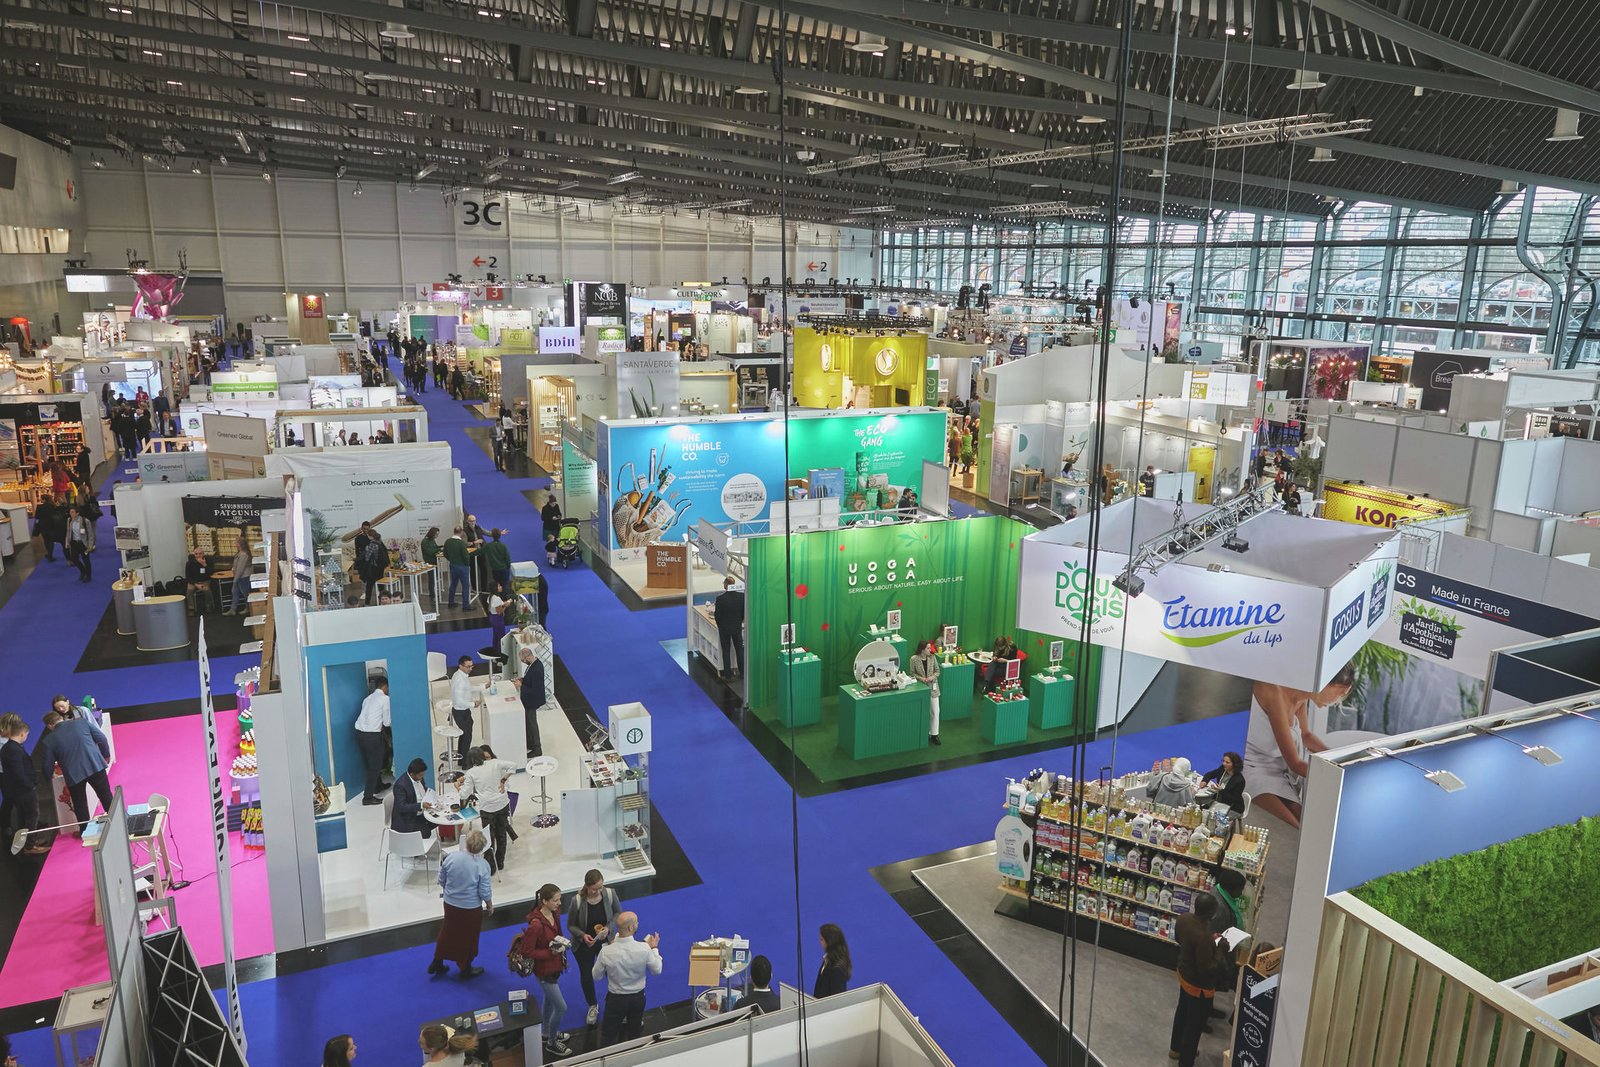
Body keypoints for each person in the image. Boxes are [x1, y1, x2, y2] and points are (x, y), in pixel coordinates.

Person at [1243, 665, 1352, 828]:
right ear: (1325, 682)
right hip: (1251, 768)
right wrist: (1338, 774)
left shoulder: (1301, 696)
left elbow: (1305, 735)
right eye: (1341, 693)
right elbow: (1295, 763)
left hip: (1277, 770)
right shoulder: (1273, 691)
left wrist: (1338, 758)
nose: (1338, 700)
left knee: (1308, 825)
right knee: (1295, 828)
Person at [516, 883, 573, 1058]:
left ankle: (546, 1032)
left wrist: (560, 945)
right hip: (544, 970)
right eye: (556, 900)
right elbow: (527, 952)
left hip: (555, 965)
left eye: (560, 899)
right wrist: (550, 953)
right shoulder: (535, 925)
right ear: (545, 901)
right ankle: (551, 1042)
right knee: (561, 1007)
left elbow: (557, 933)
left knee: (549, 1000)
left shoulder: (554, 913)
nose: (559, 903)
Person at [1170, 894, 1227, 1067]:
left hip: (1184, 974)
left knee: (1182, 1012)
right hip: (1198, 987)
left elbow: (1180, 940)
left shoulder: (1184, 919)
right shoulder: (1203, 937)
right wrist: (1220, 950)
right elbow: (1207, 969)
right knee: (1194, 1026)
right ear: (1210, 913)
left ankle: (1175, 1049)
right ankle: (1186, 1061)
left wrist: (1210, 942)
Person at [428, 829, 493, 979]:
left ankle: (437, 961)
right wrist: (489, 905)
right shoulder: (483, 865)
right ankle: (465, 968)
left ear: (466, 842)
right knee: (468, 938)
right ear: (482, 847)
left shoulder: (451, 857)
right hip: (470, 908)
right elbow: (484, 891)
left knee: (447, 931)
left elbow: (441, 879)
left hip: (450, 904)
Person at [592, 911, 662, 1047]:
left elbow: (596, 976)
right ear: (631, 928)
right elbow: (657, 970)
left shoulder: (606, 951)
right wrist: (654, 948)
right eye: (636, 922)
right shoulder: (644, 948)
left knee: (608, 1035)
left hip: (615, 1000)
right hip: (637, 998)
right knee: (634, 1032)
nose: (637, 924)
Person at [38, 710, 112, 829]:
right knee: (106, 796)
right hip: (95, 765)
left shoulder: (49, 740)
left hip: (73, 775)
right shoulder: (81, 722)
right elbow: (102, 738)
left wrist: (48, 777)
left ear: (49, 726)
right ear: (61, 718)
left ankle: (85, 832)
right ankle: (118, 820)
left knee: (80, 805)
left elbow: (47, 765)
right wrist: (105, 755)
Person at [566, 869, 620, 1027]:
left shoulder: (610, 894)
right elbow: (571, 925)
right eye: (594, 889)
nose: (598, 892)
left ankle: (616, 1003)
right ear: (587, 886)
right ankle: (592, 1006)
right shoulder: (577, 901)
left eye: (600, 887)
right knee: (587, 975)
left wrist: (608, 928)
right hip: (585, 944)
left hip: (605, 941)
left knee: (612, 972)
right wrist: (583, 935)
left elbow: (617, 913)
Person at [461, 745, 518, 874]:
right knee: (501, 835)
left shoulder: (471, 773)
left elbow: (464, 795)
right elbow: (513, 765)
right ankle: (500, 862)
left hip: (487, 809)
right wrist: (503, 779)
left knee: (489, 837)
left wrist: (459, 789)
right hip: (502, 804)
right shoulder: (495, 763)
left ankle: (491, 867)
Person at [0, 714, 47, 853]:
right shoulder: (13, 749)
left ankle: (26, 841)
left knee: (23, 815)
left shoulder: (8, 747)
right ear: (21, 734)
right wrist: (30, 785)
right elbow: (18, 773)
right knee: (31, 815)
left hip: (16, 788)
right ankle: (30, 845)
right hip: (23, 789)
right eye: (26, 734)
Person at [353, 679, 390, 806]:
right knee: (375, 765)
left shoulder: (367, 699)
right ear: (385, 687)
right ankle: (367, 797)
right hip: (372, 736)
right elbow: (387, 722)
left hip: (359, 733)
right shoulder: (385, 699)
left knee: (371, 762)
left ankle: (377, 786)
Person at [513, 646, 547, 759]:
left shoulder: (536, 669)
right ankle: (530, 743)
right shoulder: (534, 664)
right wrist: (523, 680)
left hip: (532, 700)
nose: (523, 662)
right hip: (529, 699)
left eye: (523, 660)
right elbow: (530, 680)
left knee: (532, 724)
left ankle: (537, 748)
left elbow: (535, 689)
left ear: (527, 657)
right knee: (528, 722)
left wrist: (521, 685)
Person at [909, 639, 942, 745]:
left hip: (933, 688)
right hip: (921, 688)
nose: (930, 650)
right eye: (928, 648)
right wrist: (921, 678)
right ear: (922, 649)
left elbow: (937, 671)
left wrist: (931, 677)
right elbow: (912, 673)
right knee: (921, 712)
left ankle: (934, 734)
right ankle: (920, 732)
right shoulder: (914, 659)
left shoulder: (933, 657)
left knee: (935, 711)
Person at [713, 577, 745, 681]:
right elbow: (743, 613)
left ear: (726, 585)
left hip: (724, 628)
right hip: (737, 627)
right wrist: (739, 621)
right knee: (739, 650)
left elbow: (717, 615)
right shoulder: (742, 597)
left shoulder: (720, 599)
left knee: (726, 651)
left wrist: (720, 626)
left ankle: (728, 675)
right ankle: (743, 673)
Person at [390, 758, 432, 838]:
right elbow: (402, 807)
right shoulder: (400, 786)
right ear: (412, 774)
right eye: (420, 775)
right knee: (426, 832)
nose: (422, 777)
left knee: (439, 820)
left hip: (421, 812)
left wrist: (431, 794)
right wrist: (420, 805)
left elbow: (423, 788)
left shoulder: (419, 777)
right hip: (407, 818)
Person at [354, 524, 389, 606]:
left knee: (369, 587)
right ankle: (383, 602)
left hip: (373, 569)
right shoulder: (380, 542)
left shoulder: (372, 545)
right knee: (381, 586)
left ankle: (367, 603)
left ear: (370, 536)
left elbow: (367, 557)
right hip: (380, 568)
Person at [814, 923, 851, 998]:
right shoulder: (828, 959)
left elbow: (837, 1000)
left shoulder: (837, 970)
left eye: (821, 939)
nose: (820, 942)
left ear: (829, 941)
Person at [448, 655, 476, 756]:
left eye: (472, 666)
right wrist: (473, 704)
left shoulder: (461, 675)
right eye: (468, 666)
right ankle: (464, 761)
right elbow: (459, 701)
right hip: (461, 712)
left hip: (463, 710)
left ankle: (462, 757)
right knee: (466, 738)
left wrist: (482, 687)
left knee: (464, 735)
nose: (470, 669)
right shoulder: (460, 680)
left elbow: (468, 689)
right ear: (460, 666)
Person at [442, 526, 472, 610]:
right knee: (465, 586)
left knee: (453, 584)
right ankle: (465, 605)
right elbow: (466, 556)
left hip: (453, 565)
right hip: (463, 567)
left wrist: (451, 560)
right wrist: (467, 564)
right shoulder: (461, 543)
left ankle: (451, 602)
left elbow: (445, 554)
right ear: (461, 532)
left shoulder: (448, 541)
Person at [63, 505, 95, 583]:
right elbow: (68, 531)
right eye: (70, 512)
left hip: (83, 543)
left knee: (86, 560)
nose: (70, 513)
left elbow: (90, 534)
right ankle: (82, 570)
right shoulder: (69, 520)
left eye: (72, 512)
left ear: (77, 513)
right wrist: (67, 542)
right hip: (74, 543)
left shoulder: (85, 521)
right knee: (74, 558)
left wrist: (90, 545)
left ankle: (88, 576)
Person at [32, 494, 65, 562]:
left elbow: (37, 517)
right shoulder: (53, 506)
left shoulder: (39, 507)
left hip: (43, 526)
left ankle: (49, 554)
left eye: (41, 498)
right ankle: (50, 554)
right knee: (51, 540)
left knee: (46, 540)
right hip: (51, 525)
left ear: (44, 499)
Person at [480, 528, 511, 598]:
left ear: (492, 535)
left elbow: (480, 552)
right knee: (504, 584)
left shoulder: (488, 546)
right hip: (504, 569)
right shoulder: (503, 546)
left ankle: (497, 598)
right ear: (499, 536)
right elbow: (507, 558)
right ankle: (504, 599)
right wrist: (508, 566)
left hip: (495, 569)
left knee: (497, 584)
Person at [228, 539, 252, 615]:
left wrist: (235, 579)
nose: (234, 543)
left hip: (243, 577)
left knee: (245, 594)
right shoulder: (240, 553)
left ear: (239, 544)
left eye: (236, 542)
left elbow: (240, 569)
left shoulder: (243, 554)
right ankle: (233, 609)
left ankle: (249, 608)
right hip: (240, 577)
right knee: (235, 592)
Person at [185, 548, 213, 615]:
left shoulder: (208, 561)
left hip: (205, 581)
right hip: (193, 582)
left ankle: (209, 606)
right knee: (189, 590)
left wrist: (204, 565)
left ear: (203, 554)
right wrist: (196, 584)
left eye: (200, 554)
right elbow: (188, 577)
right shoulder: (189, 563)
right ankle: (191, 608)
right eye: (196, 554)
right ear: (194, 555)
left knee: (207, 590)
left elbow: (211, 572)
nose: (198, 555)